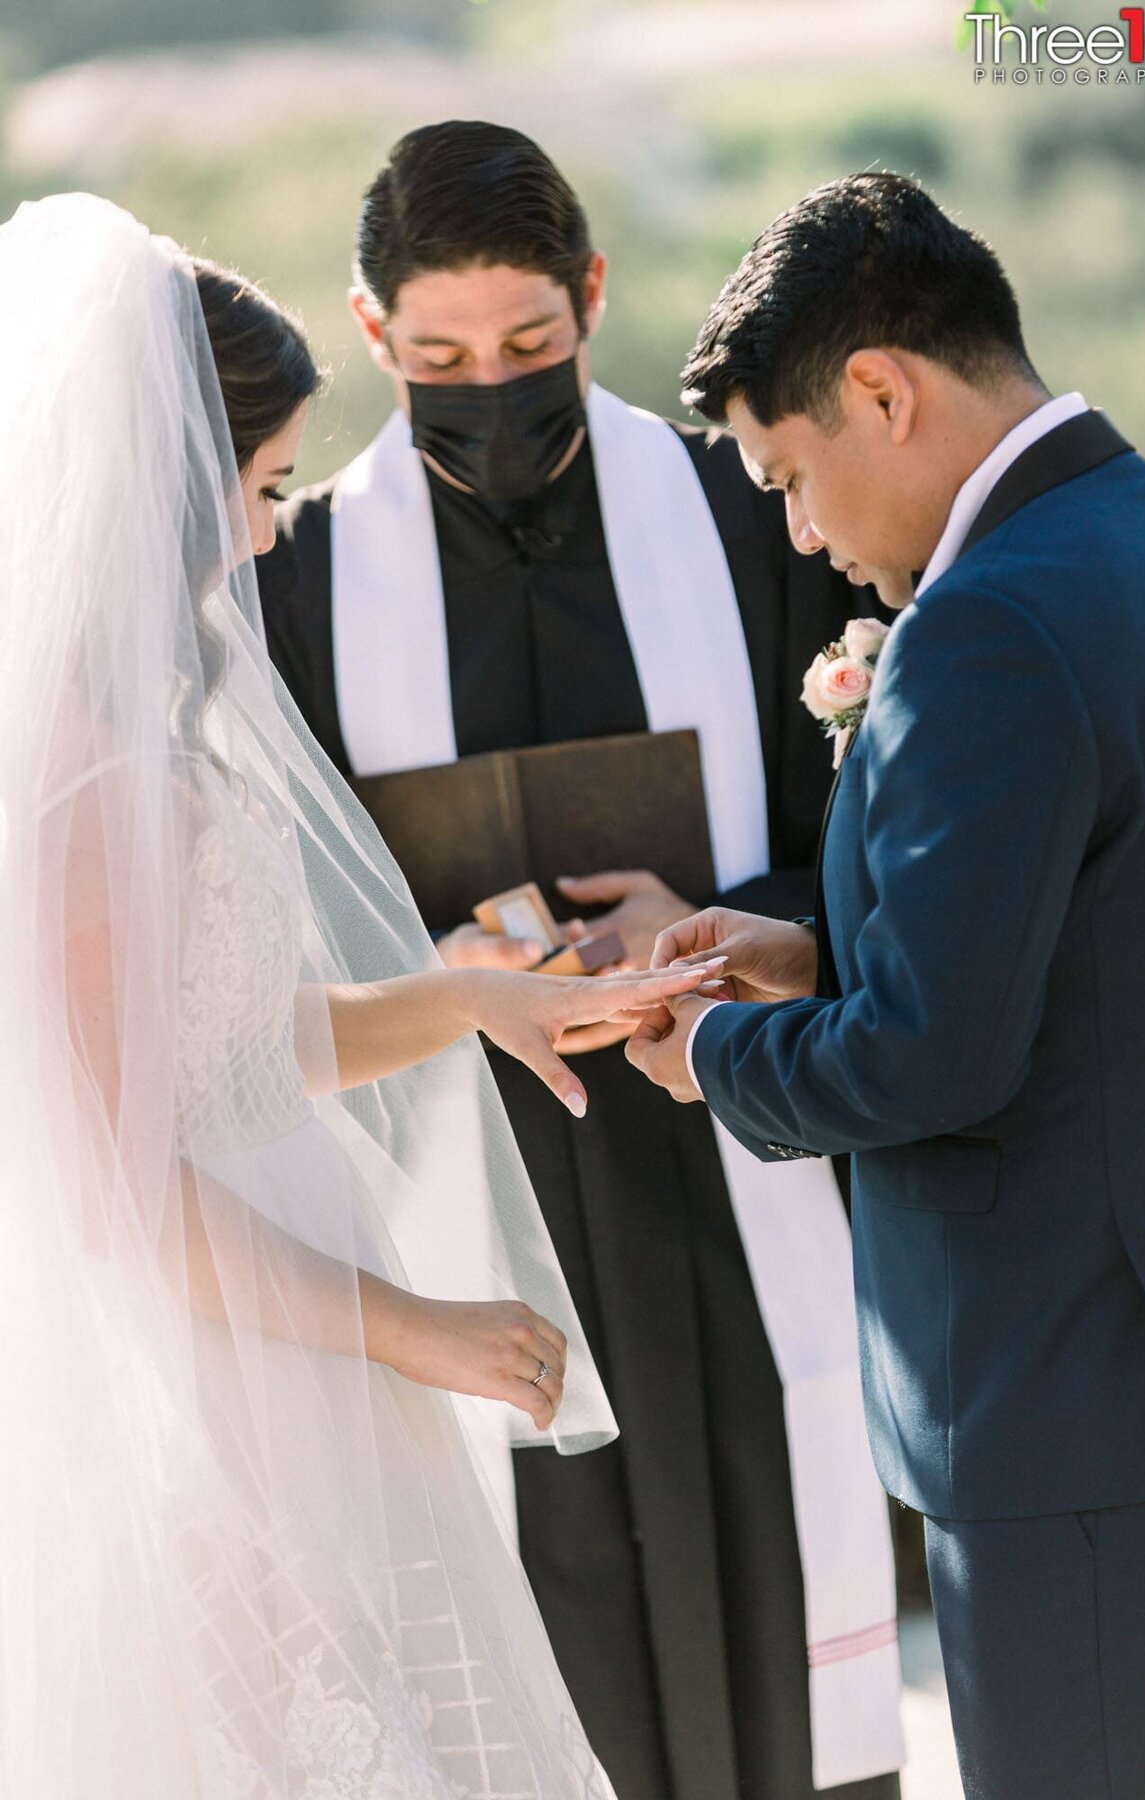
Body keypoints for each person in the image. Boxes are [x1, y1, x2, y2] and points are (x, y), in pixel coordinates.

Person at [0, 191, 720, 1799]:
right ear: (158, 491)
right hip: (214, 1379)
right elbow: (121, 1185)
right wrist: (415, 1331)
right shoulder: (73, 786)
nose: (267, 534)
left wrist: (477, 1004)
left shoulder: (138, 752)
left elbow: (233, 1055)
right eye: (254, 490)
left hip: (294, 1347)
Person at [257, 120, 903, 1800]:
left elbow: (875, 826)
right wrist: (452, 955)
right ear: (369, 330)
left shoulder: (742, 512)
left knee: (785, 1613)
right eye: (443, 357)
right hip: (483, 1191)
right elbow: (268, 915)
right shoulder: (307, 578)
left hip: (739, 1152)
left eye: (532, 348)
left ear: (595, 297)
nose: (492, 387)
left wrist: (702, 912)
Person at [629, 170, 1145, 1800]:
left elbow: (931, 1061)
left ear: (882, 390)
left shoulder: (987, 625)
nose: (801, 534)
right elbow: (1109, 922)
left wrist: (722, 1050)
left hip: (1065, 1405)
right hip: (1142, 1371)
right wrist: (822, 946)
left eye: (791, 478)